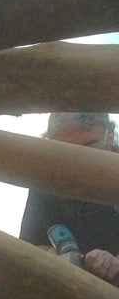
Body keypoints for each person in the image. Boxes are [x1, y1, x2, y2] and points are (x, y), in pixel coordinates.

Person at [19, 112, 119, 284]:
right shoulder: (47, 181)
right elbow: (32, 245)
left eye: (91, 147)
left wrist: (113, 262)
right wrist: (59, 258)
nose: (81, 160)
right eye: (69, 151)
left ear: (109, 135)